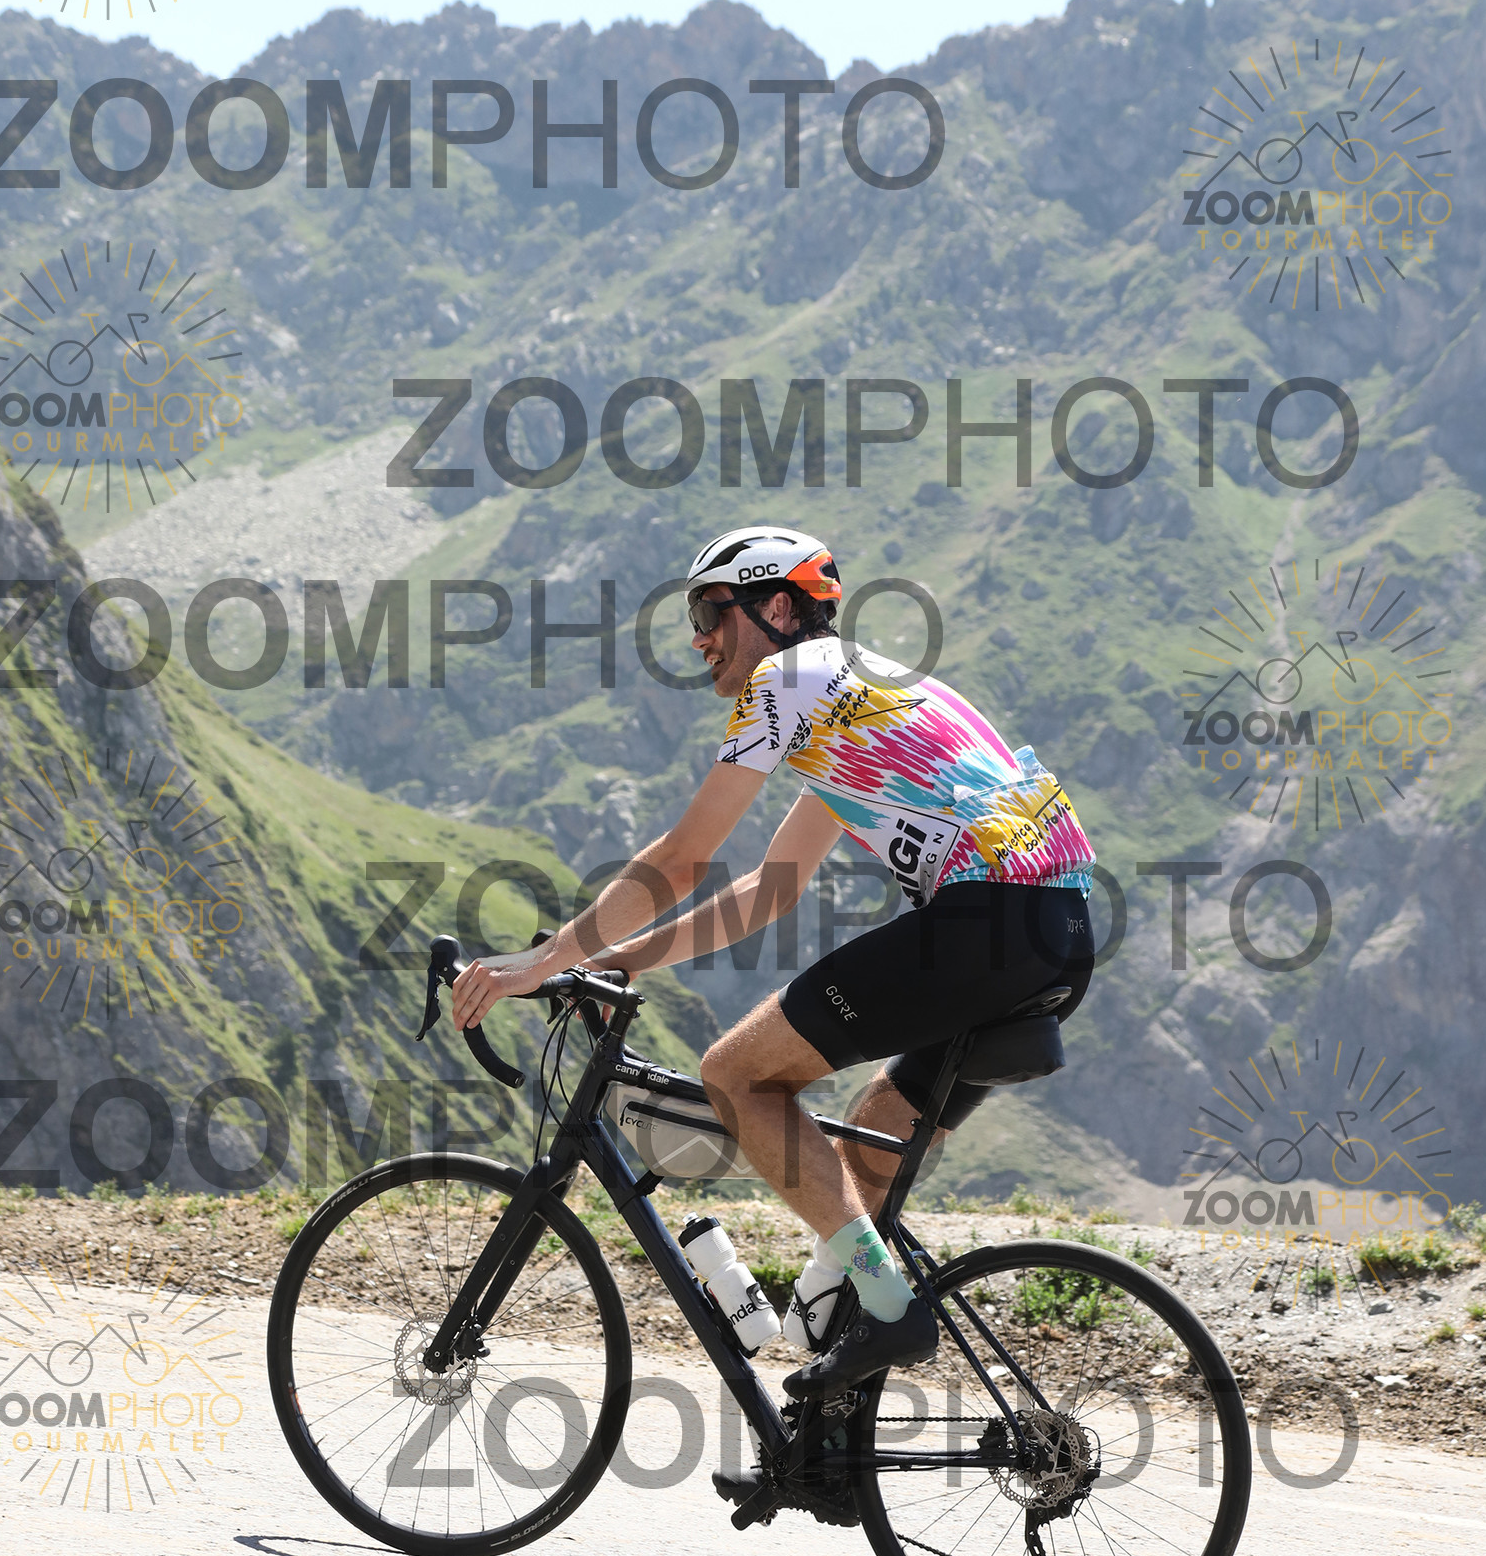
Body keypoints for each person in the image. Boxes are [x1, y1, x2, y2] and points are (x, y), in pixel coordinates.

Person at [451, 524, 1096, 1403]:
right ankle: (836, 1401)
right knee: (870, 1139)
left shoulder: (785, 681)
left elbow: (684, 857)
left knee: (737, 1076)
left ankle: (890, 1313)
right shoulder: (859, 698)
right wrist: (626, 959)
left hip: (989, 919)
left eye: (710, 612)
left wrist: (546, 960)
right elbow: (769, 889)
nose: (698, 638)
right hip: (1060, 934)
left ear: (779, 609)